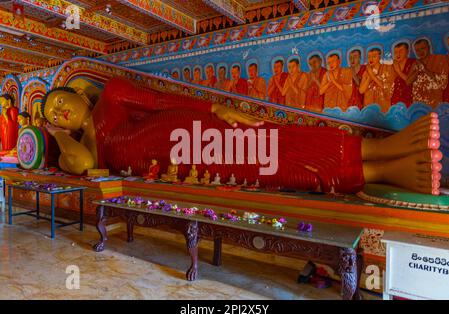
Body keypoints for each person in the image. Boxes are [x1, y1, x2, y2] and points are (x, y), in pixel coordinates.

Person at [41, 77, 441, 195]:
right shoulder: (83, 150)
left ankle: (385, 147)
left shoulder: (111, 94)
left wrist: (216, 108)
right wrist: (55, 134)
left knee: (277, 140)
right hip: (190, 164)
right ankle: (388, 172)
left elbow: (160, 100)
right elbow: (77, 166)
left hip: (191, 131)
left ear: (76, 94)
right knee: (278, 172)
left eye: (58, 102)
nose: (59, 111)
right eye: (54, 115)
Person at [407, 38, 448, 108]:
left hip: (434, 102)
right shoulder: (416, 63)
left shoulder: (440, 59)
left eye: (423, 48)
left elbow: (443, 83)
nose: (420, 52)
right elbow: (408, 82)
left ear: (429, 47)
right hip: (418, 102)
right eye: (417, 50)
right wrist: (417, 71)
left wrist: (424, 69)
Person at [359, 48, 394, 112]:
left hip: (382, 105)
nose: (371, 59)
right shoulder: (366, 72)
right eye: (369, 57)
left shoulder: (387, 68)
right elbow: (361, 90)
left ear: (379, 57)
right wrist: (369, 76)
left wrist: (372, 75)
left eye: (374, 56)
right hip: (369, 105)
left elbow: (386, 87)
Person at [391, 42, 415, 107]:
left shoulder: (413, 63)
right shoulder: (393, 66)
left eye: (401, 51)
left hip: (409, 98)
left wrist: (398, 71)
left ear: (407, 51)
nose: (398, 54)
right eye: (396, 52)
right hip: (395, 98)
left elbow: (409, 81)